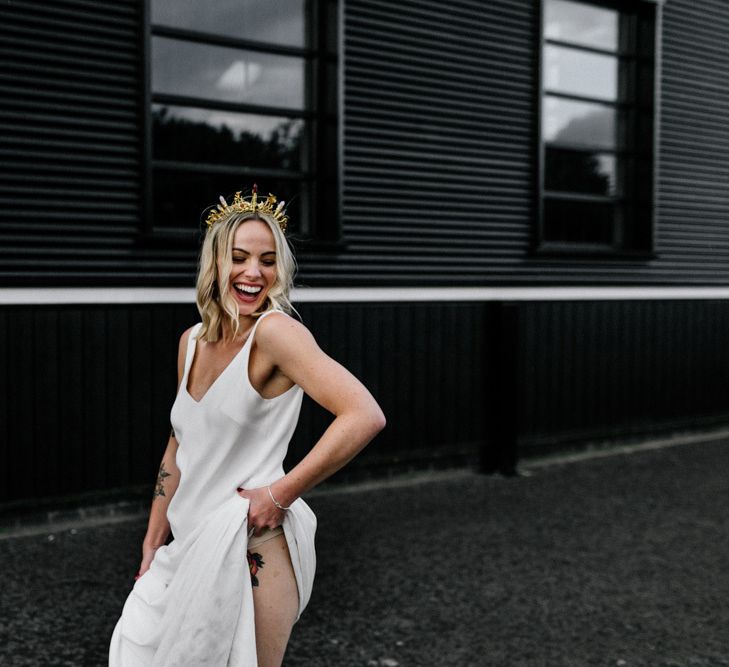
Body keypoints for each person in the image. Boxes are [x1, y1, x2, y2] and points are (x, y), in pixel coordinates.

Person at [109, 186, 386, 666]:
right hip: (184, 547)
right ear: (214, 263)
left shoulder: (277, 333)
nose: (253, 273)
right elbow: (179, 444)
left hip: (248, 548)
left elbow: (364, 415)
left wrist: (280, 494)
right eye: (238, 257)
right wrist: (153, 541)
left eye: (267, 260)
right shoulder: (191, 341)